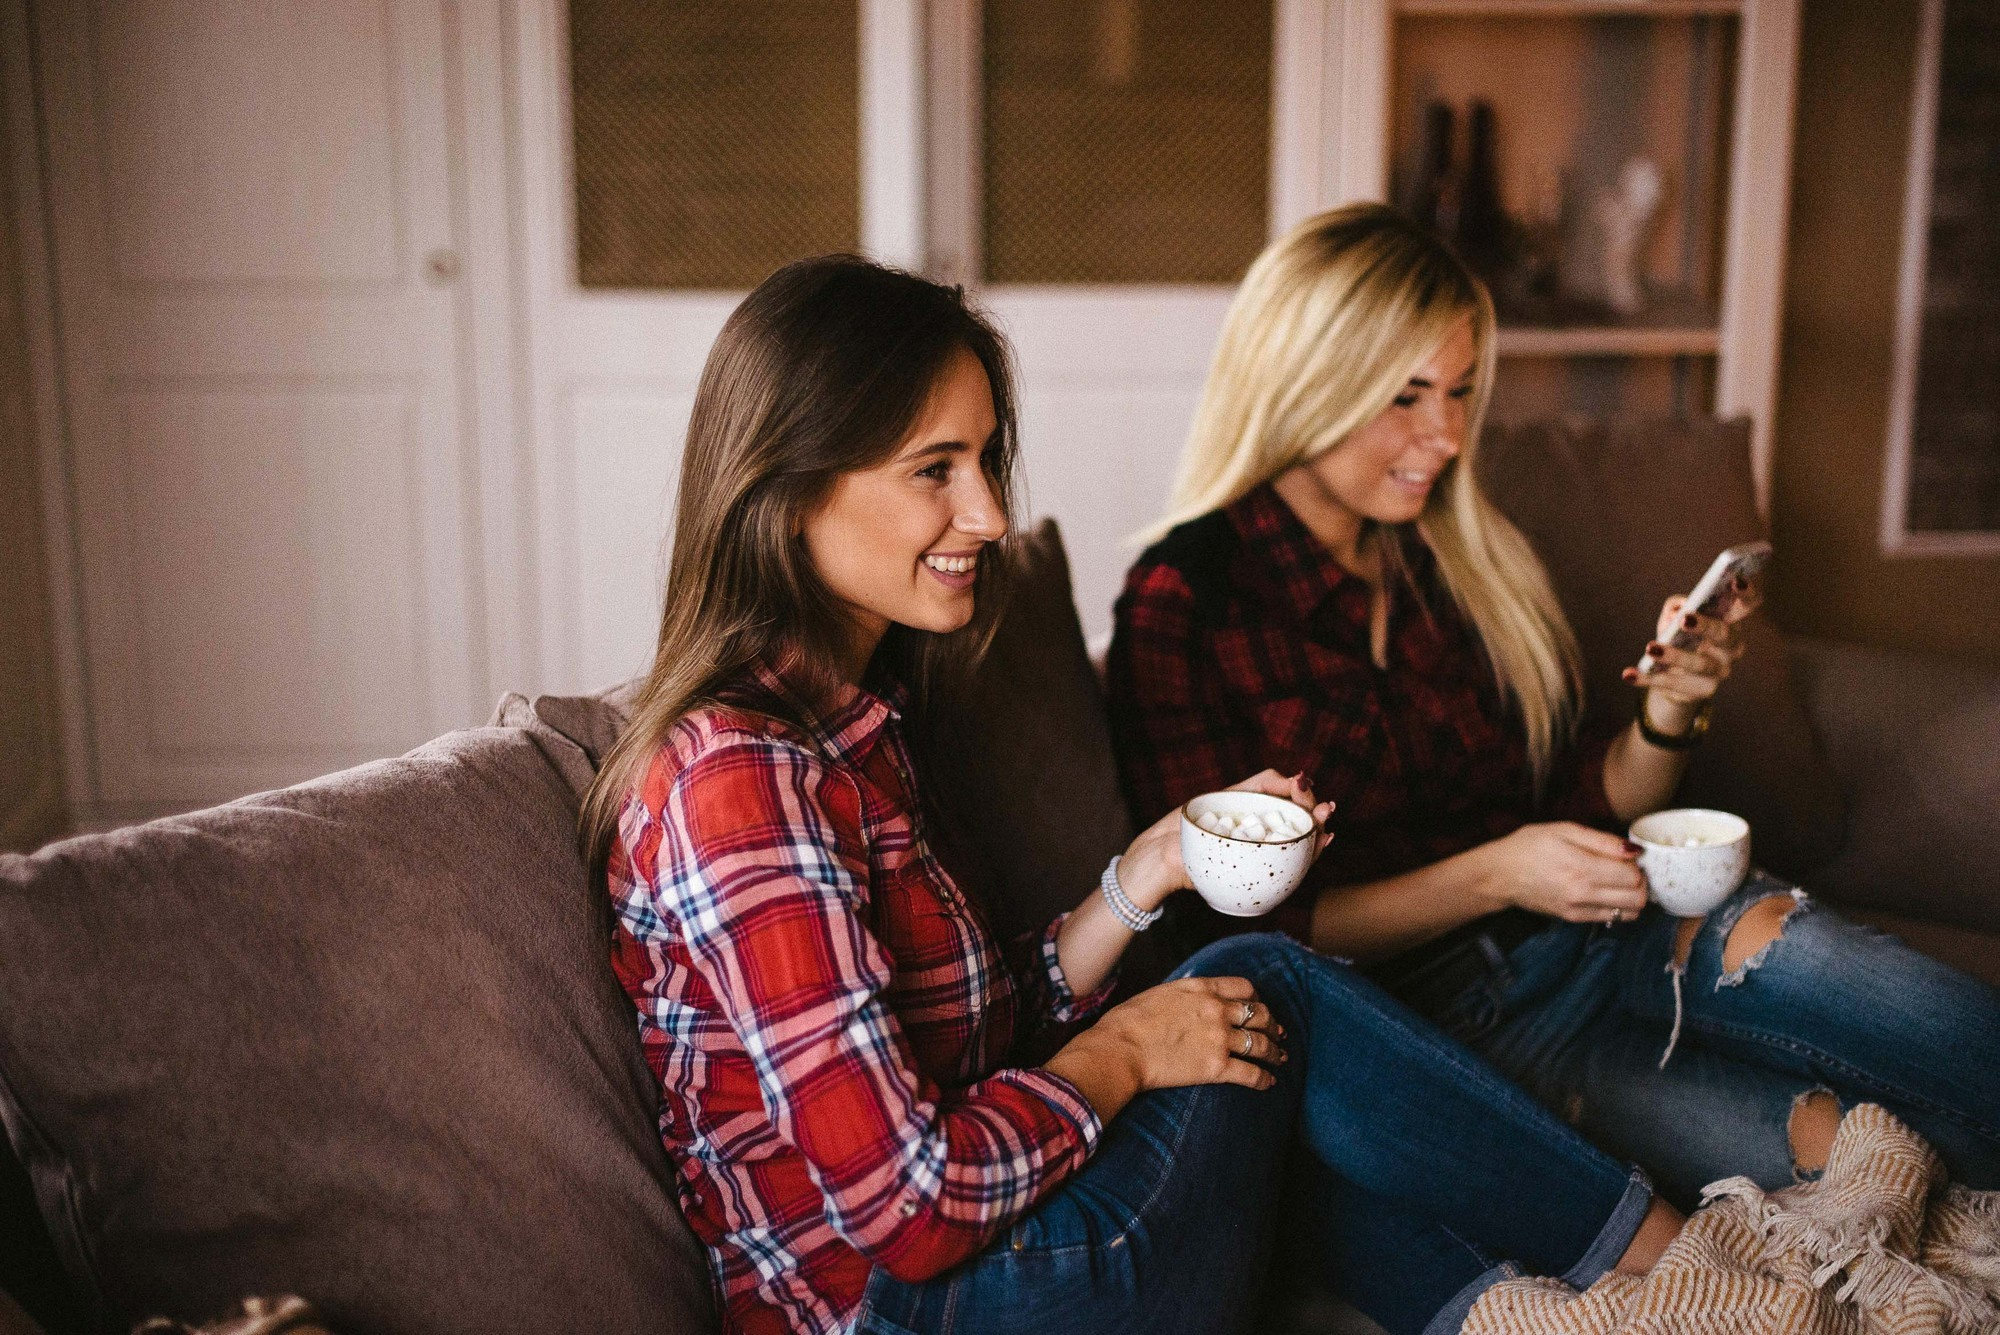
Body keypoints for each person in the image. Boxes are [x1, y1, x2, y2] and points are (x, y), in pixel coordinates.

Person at [579, 255, 1685, 1335]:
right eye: (934, 470)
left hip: (988, 1260)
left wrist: (1148, 868)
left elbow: (975, 1034)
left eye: (983, 461)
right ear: (787, 488)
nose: (986, 516)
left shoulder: (854, 731)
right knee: (1260, 985)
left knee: (1253, 1063)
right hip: (906, 1305)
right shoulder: (739, 781)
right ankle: (1683, 1265)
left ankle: (1535, 1312)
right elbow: (907, 1210)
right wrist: (1122, 1053)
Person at [1106, 203, 2000, 1213]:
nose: (1443, 435)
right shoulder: (1185, 599)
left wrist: (1669, 709)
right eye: (1402, 398)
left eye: (1457, 392)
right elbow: (1240, 936)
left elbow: (1590, 794)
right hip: (1458, 1033)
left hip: (1613, 927)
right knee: (1886, 1165)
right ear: (1305, 381)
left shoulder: (1459, 557)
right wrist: (1492, 875)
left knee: (1901, 1009)